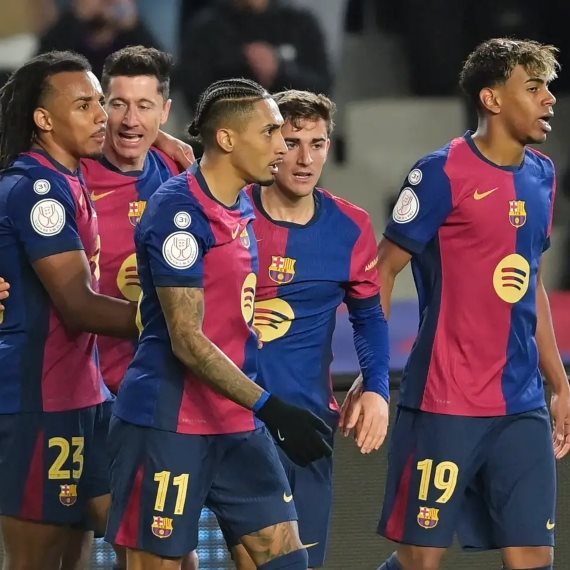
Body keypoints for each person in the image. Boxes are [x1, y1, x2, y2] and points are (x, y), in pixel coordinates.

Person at [104, 78, 333, 570]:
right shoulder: (179, 214)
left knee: (288, 560)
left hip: (236, 419)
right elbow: (187, 340)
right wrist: (272, 406)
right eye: (270, 132)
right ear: (228, 139)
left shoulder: (240, 200)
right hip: (168, 423)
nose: (282, 146)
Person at [375, 38, 570, 570]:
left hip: (521, 404)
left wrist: (558, 382)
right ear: (492, 99)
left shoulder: (543, 174)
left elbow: (530, 282)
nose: (550, 98)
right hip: (445, 401)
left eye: (549, 87)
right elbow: (383, 269)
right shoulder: (440, 173)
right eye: (534, 87)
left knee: (534, 555)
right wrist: (373, 377)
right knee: (420, 559)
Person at [219, 89, 390, 570]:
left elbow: (369, 318)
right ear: (271, 143)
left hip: (306, 429)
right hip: (230, 425)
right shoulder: (228, 214)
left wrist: (377, 388)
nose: (305, 159)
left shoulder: (350, 226)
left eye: (317, 144)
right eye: (292, 142)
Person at [60, 45, 198, 570]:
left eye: (144, 106)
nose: (129, 120)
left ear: (166, 110)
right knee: (85, 543)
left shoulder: (180, 169)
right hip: (85, 394)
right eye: (117, 104)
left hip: (157, 396)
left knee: (167, 551)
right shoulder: (69, 174)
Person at [0, 50, 139, 569]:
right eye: (84, 105)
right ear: (44, 119)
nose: (102, 116)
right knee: (40, 562)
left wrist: (168, 142)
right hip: (37, 402)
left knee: (142, 545)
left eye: (100, 102)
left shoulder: (70, 177)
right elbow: (78, 305)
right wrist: (175, 321)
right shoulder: (37, 190)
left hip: (87, 396)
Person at [176, 0, 332, 115]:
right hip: (232, 135)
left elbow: (322, 88)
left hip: (291, 130)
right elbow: (196, 98)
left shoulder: (300, 23)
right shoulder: (206, 29)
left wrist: (280, 70)